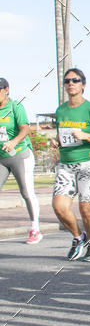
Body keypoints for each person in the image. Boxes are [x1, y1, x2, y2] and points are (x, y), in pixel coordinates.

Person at [51, 68, 90, 261]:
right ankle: (79, 237)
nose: (71, 83)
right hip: (66, 164)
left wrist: (86, 135)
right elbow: (62, 134)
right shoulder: (61, 110)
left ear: (83, 85)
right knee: (59, 207)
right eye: (67, 81)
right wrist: (55, 141)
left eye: (75, 80)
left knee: (86, 210)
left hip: (89, 162)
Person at [0, 77, 42, 244]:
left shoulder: (15, 106)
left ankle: (35, 229)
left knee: (26, 192)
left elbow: (25, 128)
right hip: (1, 158)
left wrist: (13, 142)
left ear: (6, 90)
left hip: (19, 155)